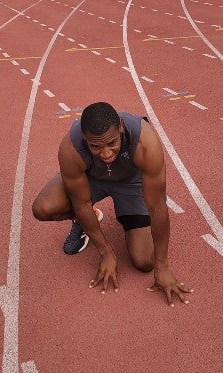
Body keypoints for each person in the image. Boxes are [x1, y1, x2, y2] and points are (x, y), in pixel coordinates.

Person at [32, 102, 191, 307]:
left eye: (112, 143)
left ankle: (98, 219)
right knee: (43, 208)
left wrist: (163, 265)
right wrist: (106, 253)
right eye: (96, 146)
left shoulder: (145, 141)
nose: (106, 153)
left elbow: (157, 206)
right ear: (85, 139)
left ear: (121, 127)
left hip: (130, 184)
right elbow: (80, 203)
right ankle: (88, 219)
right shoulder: (70, 148)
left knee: (145, 262)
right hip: (92, 179)